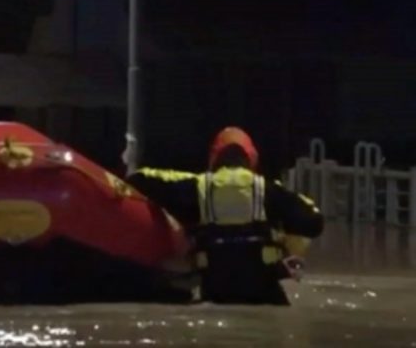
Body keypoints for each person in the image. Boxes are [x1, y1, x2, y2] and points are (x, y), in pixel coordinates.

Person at [126, 127, 324, 305]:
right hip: (264, 290)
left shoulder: (197, 186)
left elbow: (140, 179)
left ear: (214, 158)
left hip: (215, 289)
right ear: (252, 159)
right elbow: (314, 223)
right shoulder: (269, 190)